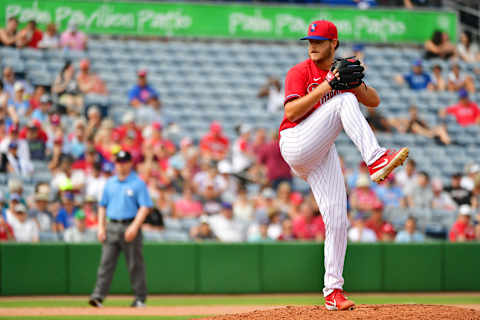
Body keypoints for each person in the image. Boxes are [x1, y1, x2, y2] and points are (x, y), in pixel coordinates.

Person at [278, 20, 408, 311]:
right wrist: (329, 85)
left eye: (319, 41)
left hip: (321, 151)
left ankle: (332, 292)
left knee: (338, 220)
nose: (312, 45)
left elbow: (374, 101)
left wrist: (357, 84)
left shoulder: (341, 72)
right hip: (296, 141)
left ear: (333, 43)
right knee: (343, 101)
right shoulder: (299, 72)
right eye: (309, 40)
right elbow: (291, 111)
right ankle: (376, 159)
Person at [89, 150, 153, 308]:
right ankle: (98, 297)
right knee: (105, 263)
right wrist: (101, 228)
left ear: (130, 163)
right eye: (118, 162)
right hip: (112, 226)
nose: (121, 165)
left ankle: (140, 298)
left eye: (124, 162)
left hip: (130, 224)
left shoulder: (137, 183)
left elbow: (145, 207)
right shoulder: (110, 183)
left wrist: (134, 226)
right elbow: (102, 206)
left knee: (135, 264)